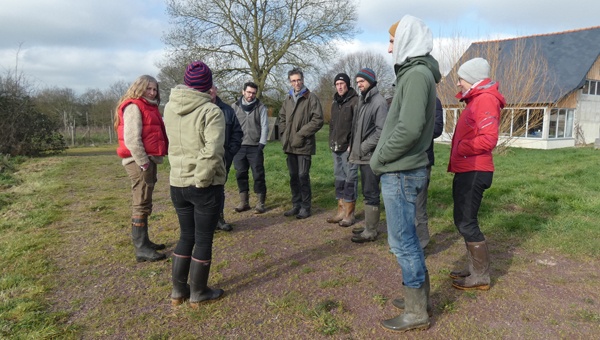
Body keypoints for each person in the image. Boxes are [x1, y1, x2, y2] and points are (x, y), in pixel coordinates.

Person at [370, 15, 441, 332]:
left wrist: (379, 157)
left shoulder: (415, 75)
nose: (389, 50)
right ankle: (418, 298)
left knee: (403, 243)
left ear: (406, 40)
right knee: (408, 239)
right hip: (404, 169)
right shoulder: (417, 73)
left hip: (401, 171)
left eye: (392, 42)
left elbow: (409, 128)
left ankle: (416, 312)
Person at [164, 61, 226, 308]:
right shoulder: (211, 112)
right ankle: (198, 293)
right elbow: (212, 151)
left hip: (177, 183)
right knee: (202, 239)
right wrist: (202, 181)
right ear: (207, 84)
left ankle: (178, 291)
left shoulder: (169, 107)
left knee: (185, 236)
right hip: (202, 185)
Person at [448, 57, 505, 291]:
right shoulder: (476, 100)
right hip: (467, 168)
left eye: (460, 79)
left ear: (472, 79)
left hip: (475, 169)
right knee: (462, 219)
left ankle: (480, 275)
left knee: (467, 221)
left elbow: (488, 139)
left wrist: (461, 148)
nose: (459, 83)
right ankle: (474, 269)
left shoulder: (485, 100)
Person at [114, 75, 168, 263]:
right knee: (141, 201)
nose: (152, 92)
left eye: (155, 89)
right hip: (138, 161)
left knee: (145, 200)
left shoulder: (147, 106)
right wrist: (144, 163)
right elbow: (132, 139)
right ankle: (141, 248)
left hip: (146, 160)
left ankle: (145, 241)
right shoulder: (134, 106)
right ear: (139, 88)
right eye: (149, 89)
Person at [346, 68, 388, 243]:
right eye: (357, 82)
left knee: (371, 192)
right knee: (367, 190)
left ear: (371, 80)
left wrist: (362, 147)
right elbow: (357, 128)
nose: (359, 85)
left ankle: (371, 231)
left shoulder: (378, 102)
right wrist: (353, 144)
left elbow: (381, 132)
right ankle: (368, 226)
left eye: (361, 81)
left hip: (370, 156)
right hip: (362, 154)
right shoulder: (363, 100)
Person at [278, 68, 324, 219]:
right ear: (290, 82)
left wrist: (301, 134)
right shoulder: (288, 99)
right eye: (293, 80)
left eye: (298, 80)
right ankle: (296, 205)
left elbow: (318, 120)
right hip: (289, 145)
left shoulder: (311, 98)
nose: (296, 83)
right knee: (293, 176)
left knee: (303, 175)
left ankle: (306, 206)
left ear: (303, 80)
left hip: (304, 144)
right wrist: (284, 135)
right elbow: (282, 118)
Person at [231, 82, 269, 215]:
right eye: (248, 92)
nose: (251, 95)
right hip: (238, 147)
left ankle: (260, 202)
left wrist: (262, 144)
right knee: (240, 173)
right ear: (243, 92)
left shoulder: (261, 107)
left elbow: (265, 126)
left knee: (258, 174)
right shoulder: (234, 107)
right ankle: (244, 202)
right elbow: (229, 125)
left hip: (255, 147)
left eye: (253, 93)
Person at [326, 73, 359, 225]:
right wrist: (331, 141)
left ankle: (350, 214)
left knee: (350, 179)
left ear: (347, 84)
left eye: (342, 83)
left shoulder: (355, 101)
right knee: (339, 178)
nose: (339, 86)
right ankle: (340, 211)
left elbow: (357, 126)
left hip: (348, 148)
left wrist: (352, 143)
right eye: (337, 84)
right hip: (336, 147)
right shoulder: (334, 103)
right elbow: (332, 125)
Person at [211, 86, 243, 232]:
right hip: (202, 158)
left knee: (219, 188)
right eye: (207, 88)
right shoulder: (197, 108)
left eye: (212, 88)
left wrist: (230, 153)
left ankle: (219, 219)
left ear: (216, 90)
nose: (210, 91)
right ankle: (204, 222)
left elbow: (237, 132)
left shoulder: (227, 110)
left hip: (223, 157)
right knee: (201, 190)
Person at [414, 97, 444, 249]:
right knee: (404, 205)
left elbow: (437, 128)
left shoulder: (433, 101)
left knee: (419, 205)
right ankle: (406, 243)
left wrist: (413, 132)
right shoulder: (402, 98)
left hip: (422, 159)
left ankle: (421, 244)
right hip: (401, 160)